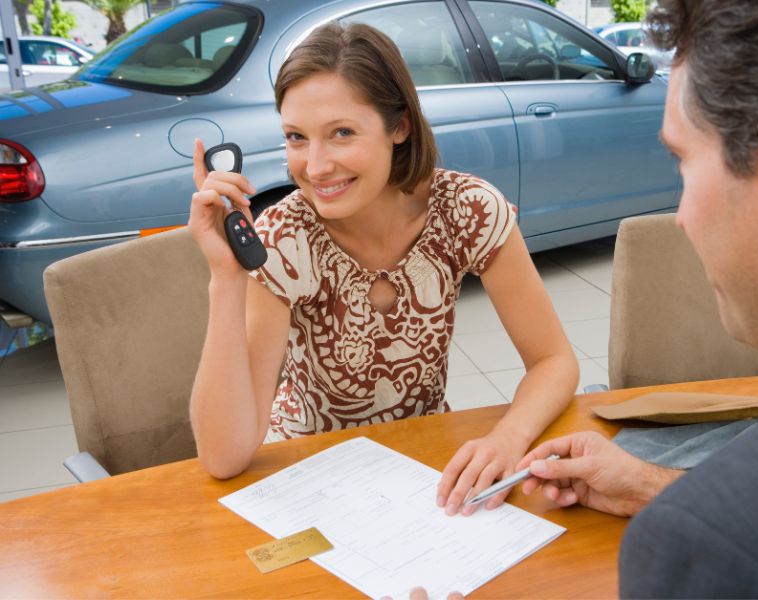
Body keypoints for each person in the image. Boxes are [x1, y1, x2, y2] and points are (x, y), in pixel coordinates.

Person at [518, 0, 758, 596]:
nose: (681, 219)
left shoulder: (711, 548)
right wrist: (655, 487)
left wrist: (698, 514)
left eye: (683, 162)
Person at [187, 22, 578, 516]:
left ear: (400, 126)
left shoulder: (468, 209)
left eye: (342, 133)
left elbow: (554, 362)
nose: (316, 166)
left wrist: (507, 438)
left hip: (422, 465)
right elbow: (224, 457)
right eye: (296, 137)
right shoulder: (284, 235)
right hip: (307, 475)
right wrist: (226, 276)